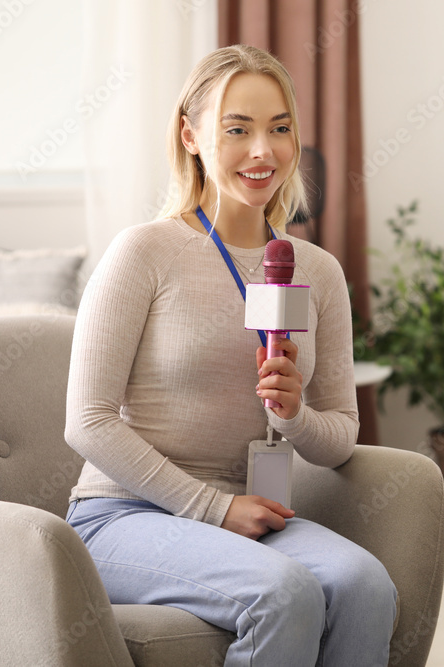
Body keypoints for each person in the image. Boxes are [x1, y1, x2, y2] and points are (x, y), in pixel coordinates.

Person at [64, 45, 396, 666]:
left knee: (365, 584)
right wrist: (214, 509)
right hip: (123, 515)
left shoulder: (318, 272)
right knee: (281, 592)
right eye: (236, 130)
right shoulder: (144, 252)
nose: (262, 151)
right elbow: (87, 420)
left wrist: (295, 414)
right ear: (190, 135)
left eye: (280, 128)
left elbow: (339, 438)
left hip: (254, 509)